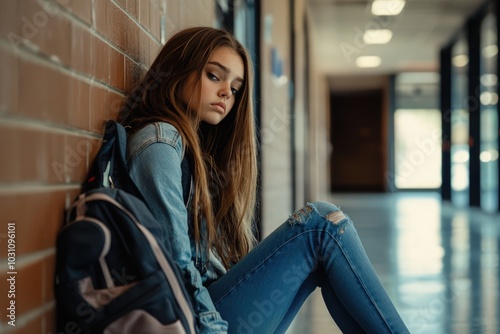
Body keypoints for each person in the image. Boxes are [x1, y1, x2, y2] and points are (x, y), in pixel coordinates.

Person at [119, 26, 409, 334]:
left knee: (321, 246)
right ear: (178, 70)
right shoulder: (160, 144)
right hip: (198, 320)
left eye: (236, 87)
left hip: (208, 309)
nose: (226, 93)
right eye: (214, 76)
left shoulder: (190, 147)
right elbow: (176, 264)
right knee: (323, 225)